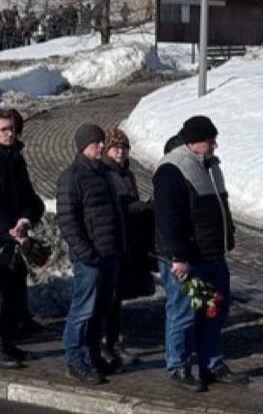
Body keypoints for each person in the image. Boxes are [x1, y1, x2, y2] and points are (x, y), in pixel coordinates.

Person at [154, 115, 246, 391]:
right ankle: (178, 366)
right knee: (183, 313)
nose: (215, 144)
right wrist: (178, 256)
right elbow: (169, 218)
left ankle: (212, 363)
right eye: (210, 140)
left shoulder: (210, 165)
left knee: (214, 310)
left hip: (212, 254)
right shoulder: (173, 169)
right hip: (186, 259)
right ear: (194, 142)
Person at [0, 109, 45, 367]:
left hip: (16, 237)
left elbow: (30, 197)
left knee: (14, 294)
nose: (9, 134)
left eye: (11, 129)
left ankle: (8, 341)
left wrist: (26, 219)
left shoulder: (16, 158)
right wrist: (9, 229)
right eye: (3, 129)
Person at [57, 123, 124, 385]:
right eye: (96, 143)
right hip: (90, 258)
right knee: (83, 310)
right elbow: (68, 220)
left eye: (101, 143)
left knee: (100, 309)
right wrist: (86, 252)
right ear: (84, 145)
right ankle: (75, 360)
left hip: (109, 254)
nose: (101, 147)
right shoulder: (72, 176)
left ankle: (93, 355)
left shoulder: (104, 173)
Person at [100, 128, 155, 372]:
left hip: (128, 243)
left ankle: (115, 341)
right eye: (115, 148)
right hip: (112, 243)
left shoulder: (128, 174)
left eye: (123, 147)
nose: (120, 151)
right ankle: (103, 343)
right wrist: (135, 208)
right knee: (106, 298)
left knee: (118, 297)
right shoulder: (103, 174)